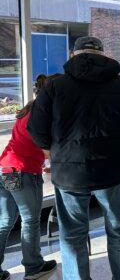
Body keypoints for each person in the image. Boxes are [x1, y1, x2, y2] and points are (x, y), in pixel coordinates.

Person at [27, 36, 120, 280]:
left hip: (69, 173)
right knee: (119, 229)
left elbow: (36, 131)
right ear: (103, 55)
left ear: (74, 55)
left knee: (73, 235)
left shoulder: (54, 87)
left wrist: (56, 148)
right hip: (111, 170)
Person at [0, 78, 58, 280]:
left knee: (5, 221)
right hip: (24, 172)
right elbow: (46, 148)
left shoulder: (27, 109)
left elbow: (29, 143)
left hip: (6, 168)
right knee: (31, 221)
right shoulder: (42, 115)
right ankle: (34, 266)